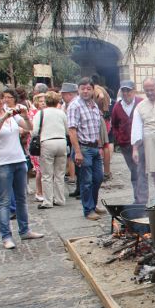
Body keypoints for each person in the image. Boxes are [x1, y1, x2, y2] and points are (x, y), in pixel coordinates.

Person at [0, 86, 43, 249]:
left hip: (18, 159)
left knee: (21, 198)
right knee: (5, 200)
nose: (0, 102)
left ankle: (25, 230)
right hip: (1, 163)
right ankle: (6, 236)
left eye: (1, 98)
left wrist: (25, 116)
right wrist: (2, 119)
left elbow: (29, 128)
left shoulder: (11, 113)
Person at [67, 77, 105, 220]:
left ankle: (93, 204)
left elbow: (96, 128)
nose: (85, 91)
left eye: (88, 88)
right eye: (83, 88)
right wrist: (77, 152)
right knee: (86, 181)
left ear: (92, 90)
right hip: (83, 148)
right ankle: (88, 210)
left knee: (98, 178)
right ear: (78, 90)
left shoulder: (93, 105)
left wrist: (100, 145)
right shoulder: (75, 105)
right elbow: (72, 130)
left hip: (94, 148)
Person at [110, 80, 146, 204]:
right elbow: (114, 124)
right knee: (133, 169)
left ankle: (141, 198)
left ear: (133, 91)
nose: (126, 93)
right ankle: (138, 197)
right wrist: (119, 137)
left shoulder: (141, 103)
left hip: (141, 143)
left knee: (140, 169)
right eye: (123, 91)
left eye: (128, 91)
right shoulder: (117, 106)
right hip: (125, 144)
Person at [31, 91, 69, 209]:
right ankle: (60, 198)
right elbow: (67, 129)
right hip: (61, 142)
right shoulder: (61, 113)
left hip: (47, 142)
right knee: (60, 173)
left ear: (46, 101)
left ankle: (48, 201)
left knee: (47, 174)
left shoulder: (40, 113)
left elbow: (35, 131)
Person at [59, 82, 79, 188]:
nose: (62, 97)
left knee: (75, 157)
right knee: (72, 156)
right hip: (71, 135)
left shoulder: (74, 104)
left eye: (63, 94)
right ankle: (78, 186)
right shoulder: (67, 104)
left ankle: (76, 181)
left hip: (76, 135)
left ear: (69, 94)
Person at [29, 92, 45, 202]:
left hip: (46, 142)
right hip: (37, 144)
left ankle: (46, 191)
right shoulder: (33, 113)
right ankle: (39, 191)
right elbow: (31, 130)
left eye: (45, 100)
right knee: (39, 169)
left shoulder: (48, 112)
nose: (43, 103)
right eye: (41, 101)